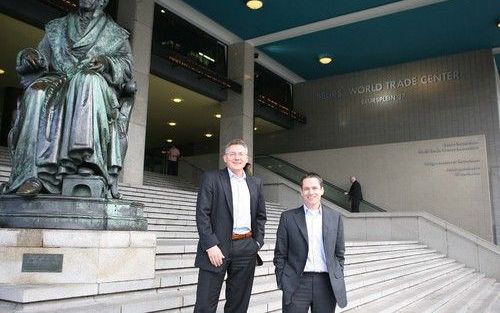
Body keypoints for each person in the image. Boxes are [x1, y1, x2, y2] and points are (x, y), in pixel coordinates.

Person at [4, 0, 134, 198]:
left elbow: (126, 68)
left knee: (86, 80)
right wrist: (29, 56)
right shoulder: (57, 27)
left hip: (95, 85)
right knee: (37, 90)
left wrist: (107, 62)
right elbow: (43, 57)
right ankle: (34, 174)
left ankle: (85, 161)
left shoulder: (116, 34)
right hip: (59, 80)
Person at [194, 139, 267, 313]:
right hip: (216, 249)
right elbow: (202, 214)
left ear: (247, 158)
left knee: (238, 305)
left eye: (241, 154)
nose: (237, 157)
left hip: (246, 247)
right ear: (225, 158)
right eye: (232, 154)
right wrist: (210, 245)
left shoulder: (255, 183)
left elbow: (260, 216)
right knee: (205, 304)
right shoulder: (211, 178)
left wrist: (257, 243)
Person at [274, 173, 347, 313]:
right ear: (301, 191)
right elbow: (280, 253)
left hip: (326, 284)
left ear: (322, 190)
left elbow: (339, 253)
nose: (311, 192)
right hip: (296, 282)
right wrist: (283, 280)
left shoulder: (335, 217)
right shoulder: (288, 218)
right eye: (306, 189)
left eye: (314, 188)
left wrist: (337, 275)